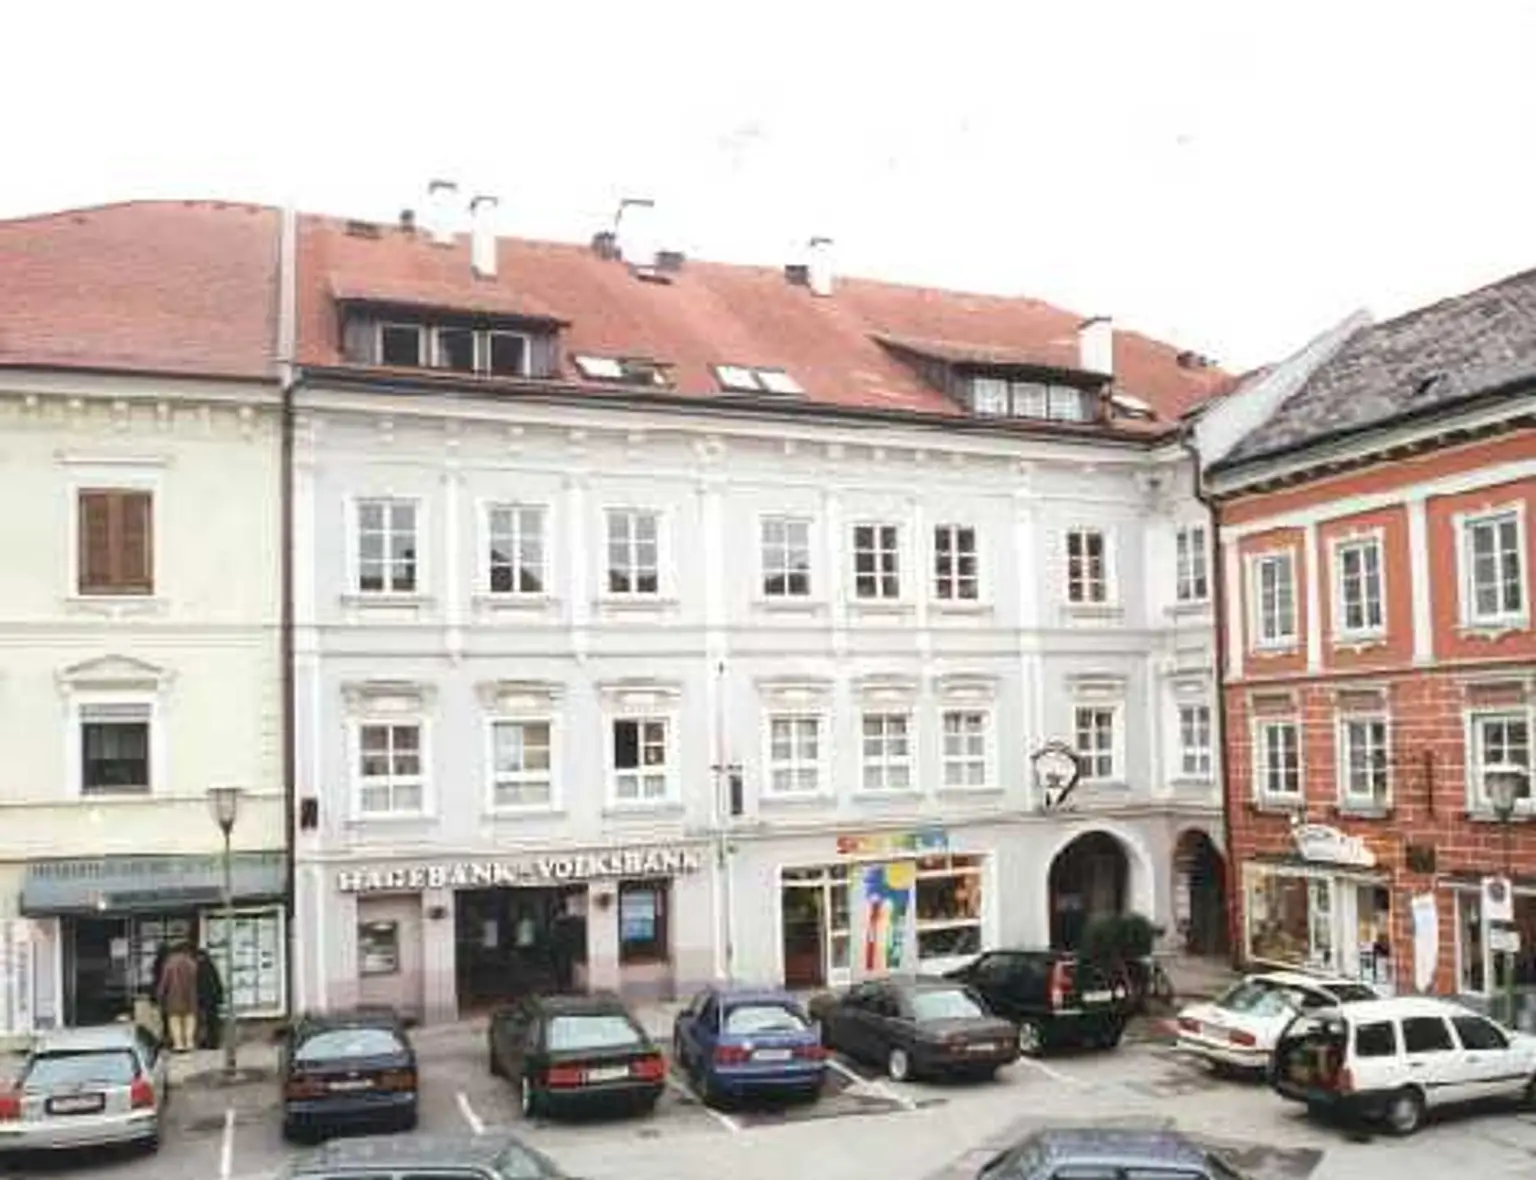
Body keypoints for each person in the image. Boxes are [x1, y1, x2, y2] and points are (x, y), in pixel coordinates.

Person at [157, 942, 200, 1052]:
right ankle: (189, 1042)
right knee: (189, 1019)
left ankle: (178, 1044)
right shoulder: (191, 963)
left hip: (173, 997)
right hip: (190, 996)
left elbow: (164, 982)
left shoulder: (169, 964)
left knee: (174, 1020)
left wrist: (160, 994)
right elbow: (197, 980)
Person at [194, 946, 225, 1050]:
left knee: (205, 1022)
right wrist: (220, 997)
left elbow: (198, 985)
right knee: (213, 1022)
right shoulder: (211, 966)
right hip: (213, 999)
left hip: (204, 999)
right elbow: (217, 982)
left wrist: (198, 998)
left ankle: (207, 1042)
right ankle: (214, 1042)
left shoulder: (198, 968)